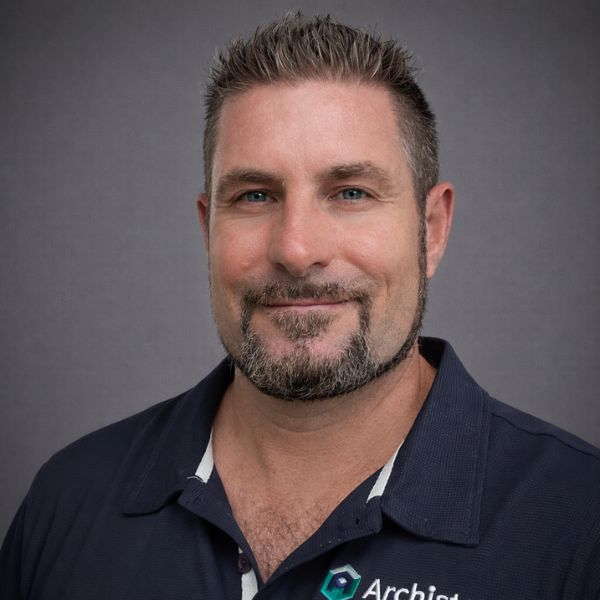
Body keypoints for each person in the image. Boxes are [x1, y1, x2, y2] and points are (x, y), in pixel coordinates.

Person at [1, 12, 598, 600]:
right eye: (255, 196)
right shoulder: (69, 499)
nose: (295, 249)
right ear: (209, 230)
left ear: (432, 228)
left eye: (351, 193)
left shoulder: (578, 520)